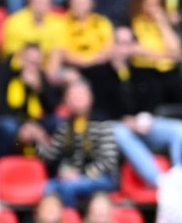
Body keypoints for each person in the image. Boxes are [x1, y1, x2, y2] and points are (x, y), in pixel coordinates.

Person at [39, 80, 122, 208]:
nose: (76, 100)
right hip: (72, 177)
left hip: (102, 177)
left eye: (80, 96)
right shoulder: (64, 126)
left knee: (68, 187)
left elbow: (108, 161)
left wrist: (80, 174)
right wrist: (38, 140)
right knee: (47, 187)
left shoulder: (102, 123)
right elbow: (51, 155)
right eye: (72, 97)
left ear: (90, 98)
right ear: (66, 101)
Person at [0, 44, 61, 157]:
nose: (32, 67)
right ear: (21, 59)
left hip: (36, 122)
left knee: (58, 123)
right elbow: (2, 108)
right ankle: (6, 162)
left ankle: (54, 164)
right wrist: (25, 125)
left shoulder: (41, 77)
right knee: (7, 126)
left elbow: (52, 109)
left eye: (36, 63)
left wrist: (39, 90)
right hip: (14, 121)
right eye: (29, 61)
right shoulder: (6, 73)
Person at [1, 0, 68, 63]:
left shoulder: (58, 23)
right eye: (38, 1)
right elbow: (11, 54)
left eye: (45, 1)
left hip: (46, 70)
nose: (41, 5)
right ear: (29, 0)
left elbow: (58, 52)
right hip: (18, 68)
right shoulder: (14, 22)